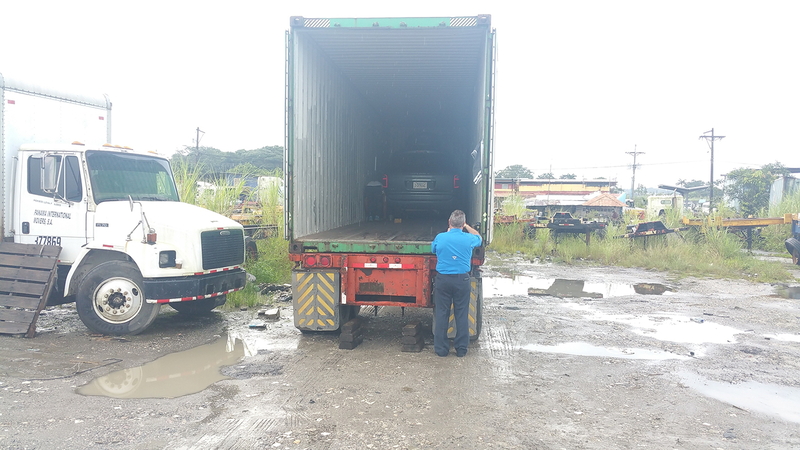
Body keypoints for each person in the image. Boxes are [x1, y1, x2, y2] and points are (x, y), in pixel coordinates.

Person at [431, 210, 482, 357]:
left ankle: (441, 350)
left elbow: (433, 249)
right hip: (462, 280)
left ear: (449, 222)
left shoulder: (441, 237)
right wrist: (467, 227)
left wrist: (447, 233)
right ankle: (461, 349)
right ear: (463, 224)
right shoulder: (469, 238)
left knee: (442, 314)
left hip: (443, 280)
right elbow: (479, 238)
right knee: (461, 314)